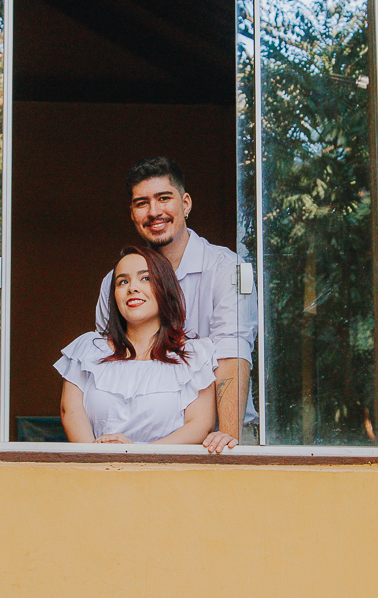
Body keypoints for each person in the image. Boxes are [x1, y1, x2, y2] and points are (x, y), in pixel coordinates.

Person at [95, 157, 258, 452]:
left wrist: (227, 440)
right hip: (132, 442)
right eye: (142, 203)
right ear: (132, 214)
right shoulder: (115, 282)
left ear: (185, 203)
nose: (154, 211)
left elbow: (232, 352)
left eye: (164, 198)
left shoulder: (226, 268)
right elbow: (108, 360)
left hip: (216, 439)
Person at [55, 246, 218, 446]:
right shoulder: (87, 349)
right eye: (122, 282)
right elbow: (70, 411)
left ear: (165, 288)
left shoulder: (195, 355)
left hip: (163, 466)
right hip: (96, 464)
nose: (132, 288)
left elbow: (201, 425)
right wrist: (96, 456)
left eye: (145, 278)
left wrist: (139, 455)